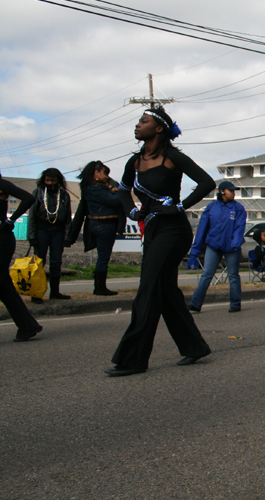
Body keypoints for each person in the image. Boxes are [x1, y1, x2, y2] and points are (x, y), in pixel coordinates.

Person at [105, 107, 215, 377]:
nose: (137, 125)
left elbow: (206, 182)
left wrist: (180, 206)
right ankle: (194, 347)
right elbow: (122, 190)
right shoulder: (135, 161)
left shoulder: (173, 157)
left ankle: (133, 358)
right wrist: (132, 210)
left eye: (144, 121)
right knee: (165, 292)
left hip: (174, 231)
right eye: (139, 121)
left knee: (148, 289)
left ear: (158, 129)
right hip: (153, 230)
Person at [186, 180, 247, 314]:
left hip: (231, 248)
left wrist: (236, 243)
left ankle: (235, 303)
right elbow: (202, 229)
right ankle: (195, 303)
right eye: (230, 190)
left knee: (233, 275)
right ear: (222, 192)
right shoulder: (211, 207)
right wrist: (194, 253)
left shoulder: (239, 208)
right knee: (207, 274)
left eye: (234, 191)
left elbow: (239, 228)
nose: (233, 193)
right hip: (213, 246)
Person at [67, 160, 125, 296]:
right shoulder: (95, 188)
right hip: (104, 226)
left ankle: (100, 286)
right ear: (96, 173)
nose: (107, 177)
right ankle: (99, 287)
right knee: (103, 257)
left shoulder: (92, 187)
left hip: (100, 225)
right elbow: (116, 200)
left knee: (103, 257)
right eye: (105, 173)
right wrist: (116, 189)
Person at [0, 174, 43, 342]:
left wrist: (11, 220)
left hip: (2, 239)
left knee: (2, 282)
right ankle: (27, 326)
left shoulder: (2, 184)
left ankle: (28, 326)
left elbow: (28, 198)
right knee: (3, 286)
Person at [27, 168, 72, 303]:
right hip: (41, 231)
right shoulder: (38, 192)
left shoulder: (63, 195)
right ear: (43, 180)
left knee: (56, 262)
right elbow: (32, 216)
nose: (50, 182)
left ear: (58, 180)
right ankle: (36, 294)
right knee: (39, 262)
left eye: (53, 180)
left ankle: (55, 292)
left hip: (58, 232)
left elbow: (68, 218)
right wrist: (32, 236)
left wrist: (67, 237)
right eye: (47, 180)